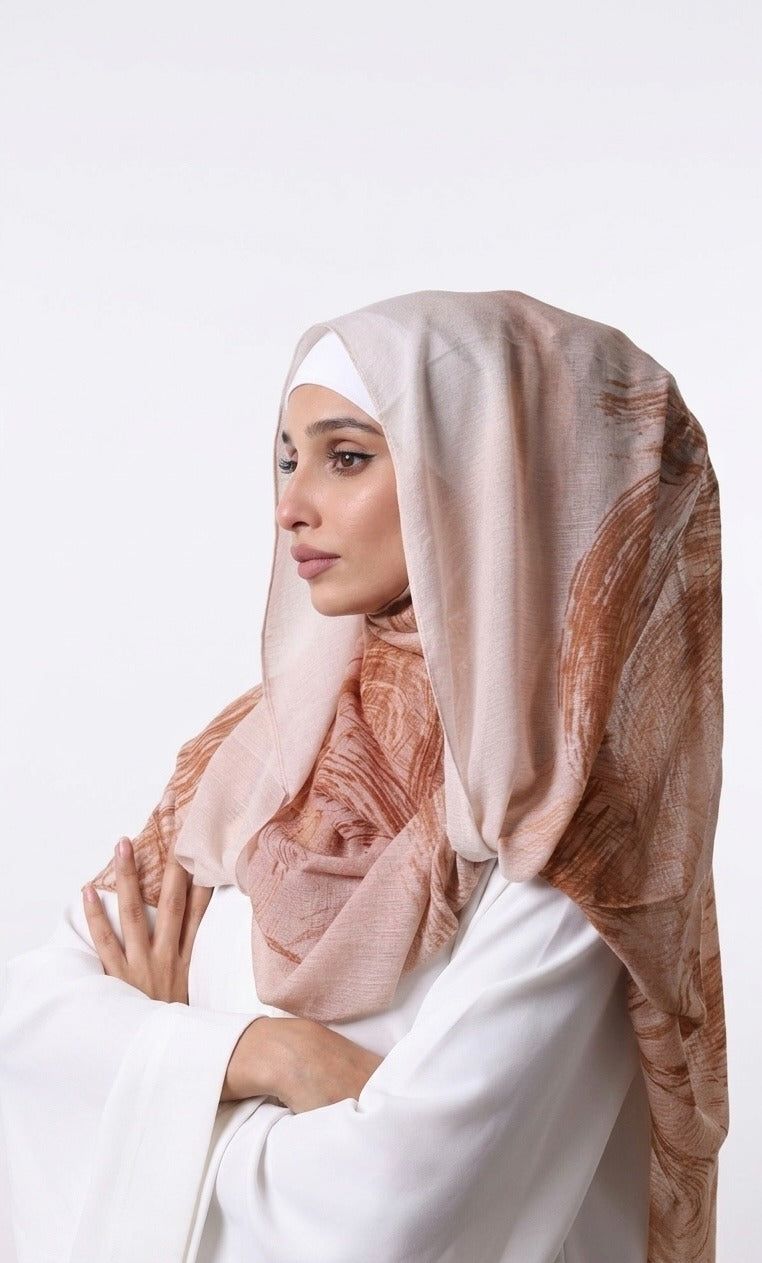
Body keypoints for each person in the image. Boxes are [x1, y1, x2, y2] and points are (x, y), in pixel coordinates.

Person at [0, 289, 727, 1263]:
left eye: (346, 457)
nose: (290, 506)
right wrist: (261, 1054)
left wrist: (153, 1068)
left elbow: (380, 1216)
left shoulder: (564, 820)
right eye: (287, 459)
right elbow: (27, 1028)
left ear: (491, 480)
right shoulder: (256, 756)